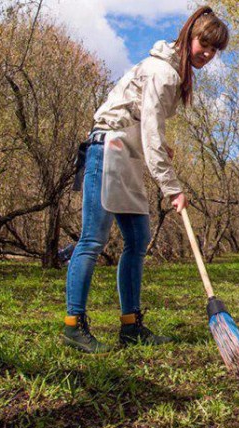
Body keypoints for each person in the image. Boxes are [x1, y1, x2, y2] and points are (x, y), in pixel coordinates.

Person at [63, 6, 229, 353]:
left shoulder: (171, 72)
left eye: (216, 50)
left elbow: (143, 125)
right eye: (205, 44)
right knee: (92, 241)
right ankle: (73, 325)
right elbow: (148, 130)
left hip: (127, 155)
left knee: (138, 240)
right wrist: (173, 188)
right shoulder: (162, 73)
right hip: (106, 152)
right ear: (189, 36)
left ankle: (130, 326)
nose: (209, 54)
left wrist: (160, 147)